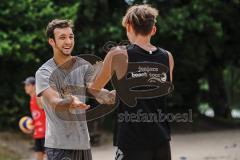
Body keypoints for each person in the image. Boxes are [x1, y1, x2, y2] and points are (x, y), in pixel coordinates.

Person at [90, 4, 174, 160]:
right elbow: (161, 91)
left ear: (128, 26)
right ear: (153, 29)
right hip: (161, 139)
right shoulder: (167, 57)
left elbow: (95, 87)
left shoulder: (118, 53)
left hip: (132, 140)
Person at [35, 19, 115, 160]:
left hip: (83, 144)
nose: (68, 41)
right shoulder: (44, 72)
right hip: (60, 146)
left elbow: (95, 90)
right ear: (51, 42)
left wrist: (109, 95)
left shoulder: (83, 65)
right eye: (62, 37)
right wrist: (70, 102)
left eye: (71, 37)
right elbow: (54, 102)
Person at [23, 76, 46, 160]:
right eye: (25, 85)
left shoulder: (38, 96)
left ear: (34, 86)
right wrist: (31, 125)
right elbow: (38, 117)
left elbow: (44, 109)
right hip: (38, 133)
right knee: (39, 156)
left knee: (49, 156)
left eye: (27, 85)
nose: (25, 87)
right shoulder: (31, 100)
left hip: (45, 132)